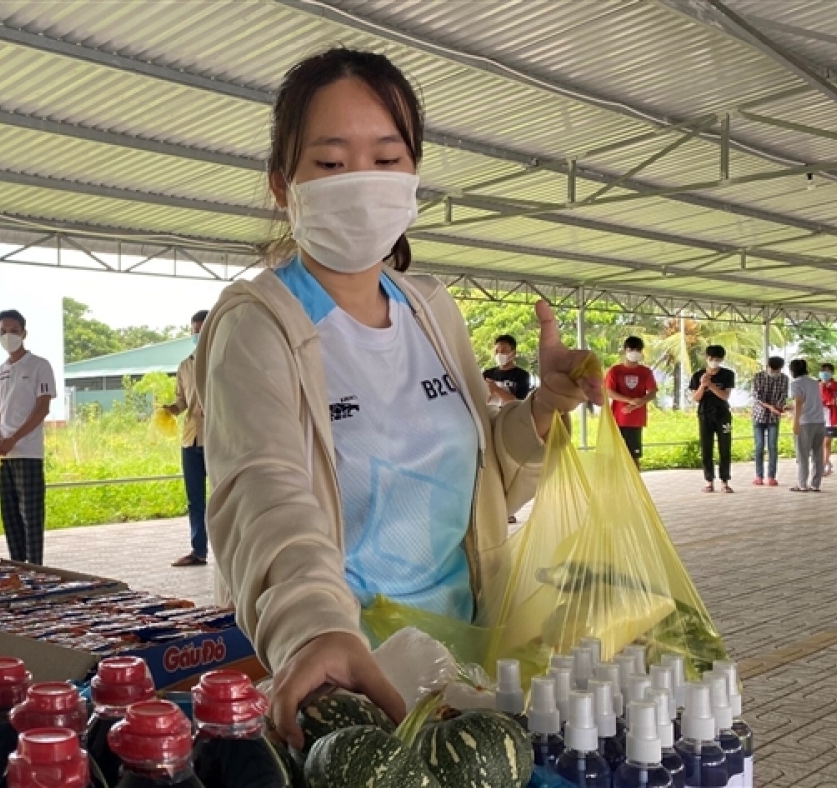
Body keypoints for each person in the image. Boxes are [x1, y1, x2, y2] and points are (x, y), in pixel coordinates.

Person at [193, 48, 602, 748]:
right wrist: (313, 628)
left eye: (386, 159)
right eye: (329, 162)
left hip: (463, 661)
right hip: (344, 678)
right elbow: (264, 495)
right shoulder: (258, 323)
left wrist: (541, 411)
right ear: (280, 184)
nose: (361, 182)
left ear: (412, 176)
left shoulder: (430, 308)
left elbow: (480, 480)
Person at [0, 310, 57, 564]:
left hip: (27, 451)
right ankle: (17, 567)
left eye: (14, 330)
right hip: (3, 454)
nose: (8, 336)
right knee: (10, 515)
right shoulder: (0, 371)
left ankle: (35, 569)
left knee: (30, 515)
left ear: (24, 333)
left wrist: (14, 439)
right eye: (3, 331)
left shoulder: (40, 365)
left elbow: (42, 408)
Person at [162, 310, 211, 568]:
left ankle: (232, 550)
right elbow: (182, 400)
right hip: (190, 439)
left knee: (225, 496)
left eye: (202, 329)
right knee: (195, 499)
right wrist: (171, 408)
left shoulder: (223, 359)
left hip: (217, 438)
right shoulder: (185, 366)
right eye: (194, 329)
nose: (197, 334)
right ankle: (198, 550)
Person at [604, 336, 657, 469]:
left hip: (635, 421)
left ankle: (635, 487)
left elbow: (652, 392)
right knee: (614, 457)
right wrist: (630, 400)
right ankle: (616, 486)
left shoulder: (645, 372)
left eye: (637, 350)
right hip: (617, 419)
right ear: (625, 350)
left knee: (634, 458)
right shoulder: (615, 371)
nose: (634, 352)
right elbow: (609, 392)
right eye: (631, 349)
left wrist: (640, 402)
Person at [689, 345, 735, 493]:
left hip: (722, 414)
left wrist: (711, 385)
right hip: (704, 414)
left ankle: (725, 481)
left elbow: (725, 396)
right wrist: (703, 385)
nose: (713, 361)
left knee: (725, 447)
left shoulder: (728, 374)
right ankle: (709, 481)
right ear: (706, 358)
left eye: (717, 359)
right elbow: (695, 398)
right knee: (706, 447)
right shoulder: (697, 375)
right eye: (711, 359)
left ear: (721, 359)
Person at [749, 356, 788, 487]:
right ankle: (759, 476)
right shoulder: (758, 377)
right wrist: (770, 407)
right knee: (759, 446)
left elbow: (783, 396)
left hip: (774, 417)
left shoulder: (784, 379)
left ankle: (771, 476)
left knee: (772, 447)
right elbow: (757, 397)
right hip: (758, 415)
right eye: (773, 369)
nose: (775, 371)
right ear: (767, 366)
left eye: (777, 369)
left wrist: (778, 407)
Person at [788, 359, 825, 493]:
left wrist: (795, 422)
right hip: (820, 421)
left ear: (792, 370)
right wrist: (790, 407)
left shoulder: (795, 383)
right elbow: (809, 400)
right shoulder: (814, 382)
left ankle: (802, 484)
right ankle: (815, 484)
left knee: (802, 455)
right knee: (818, 454)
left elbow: (799, 402)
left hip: (805, 422)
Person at [482, 334, 532, 406]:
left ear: (513, 353)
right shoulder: (487, 374)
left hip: (511, 415)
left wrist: (496, 389)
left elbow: (519, 403)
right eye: (496, 351)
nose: (499, 354)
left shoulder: (522, 375)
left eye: (503, 351)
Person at [819, 363, 837, 477]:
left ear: (832, 373)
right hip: (818, 416)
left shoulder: (836, 385)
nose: (826, 373)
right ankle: (824, 462)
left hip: (831, 416)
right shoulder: (816, 384)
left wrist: (823, 386)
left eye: (828, 371)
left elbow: (829, 399)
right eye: (824, 370)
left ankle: (825, 464)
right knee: (820, 443)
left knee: (827, 442)